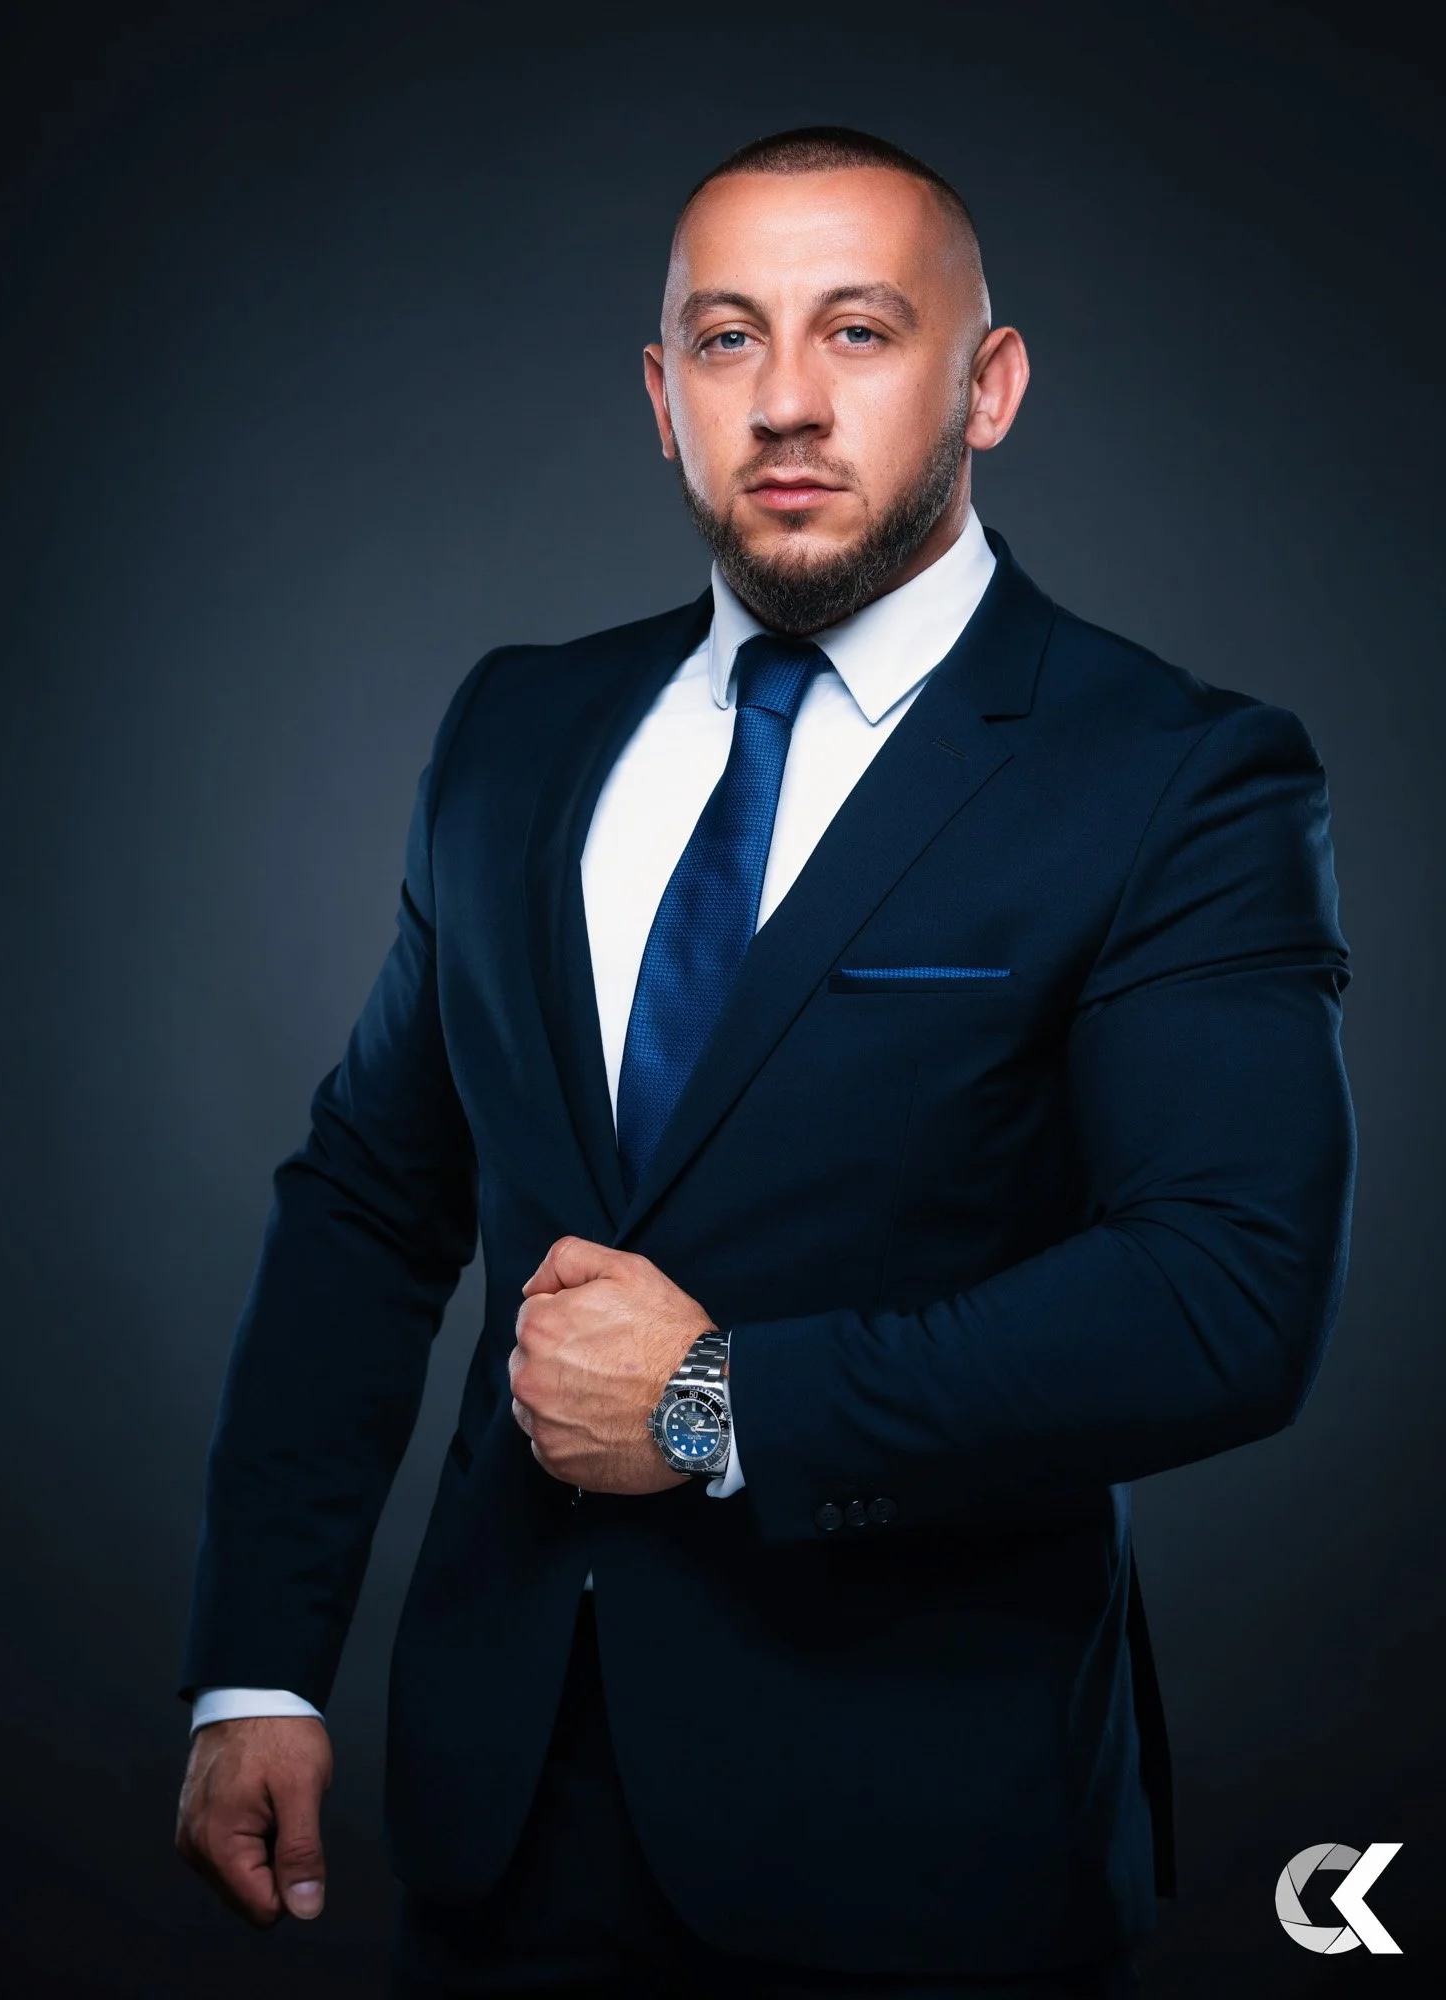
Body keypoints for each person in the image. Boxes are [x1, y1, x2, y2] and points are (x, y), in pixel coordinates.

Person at [173, 126, 1356, 1999]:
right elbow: (370, 1210)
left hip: (927, 1838)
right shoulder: (518, 729)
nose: (786, 401)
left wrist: (725, 1401)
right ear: (661, 395)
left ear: (992, 381)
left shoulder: (1174, 776)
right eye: (727, 340)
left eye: (860, 332)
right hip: (497, 1817)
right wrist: (258, 1663)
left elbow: (1228, 1297)